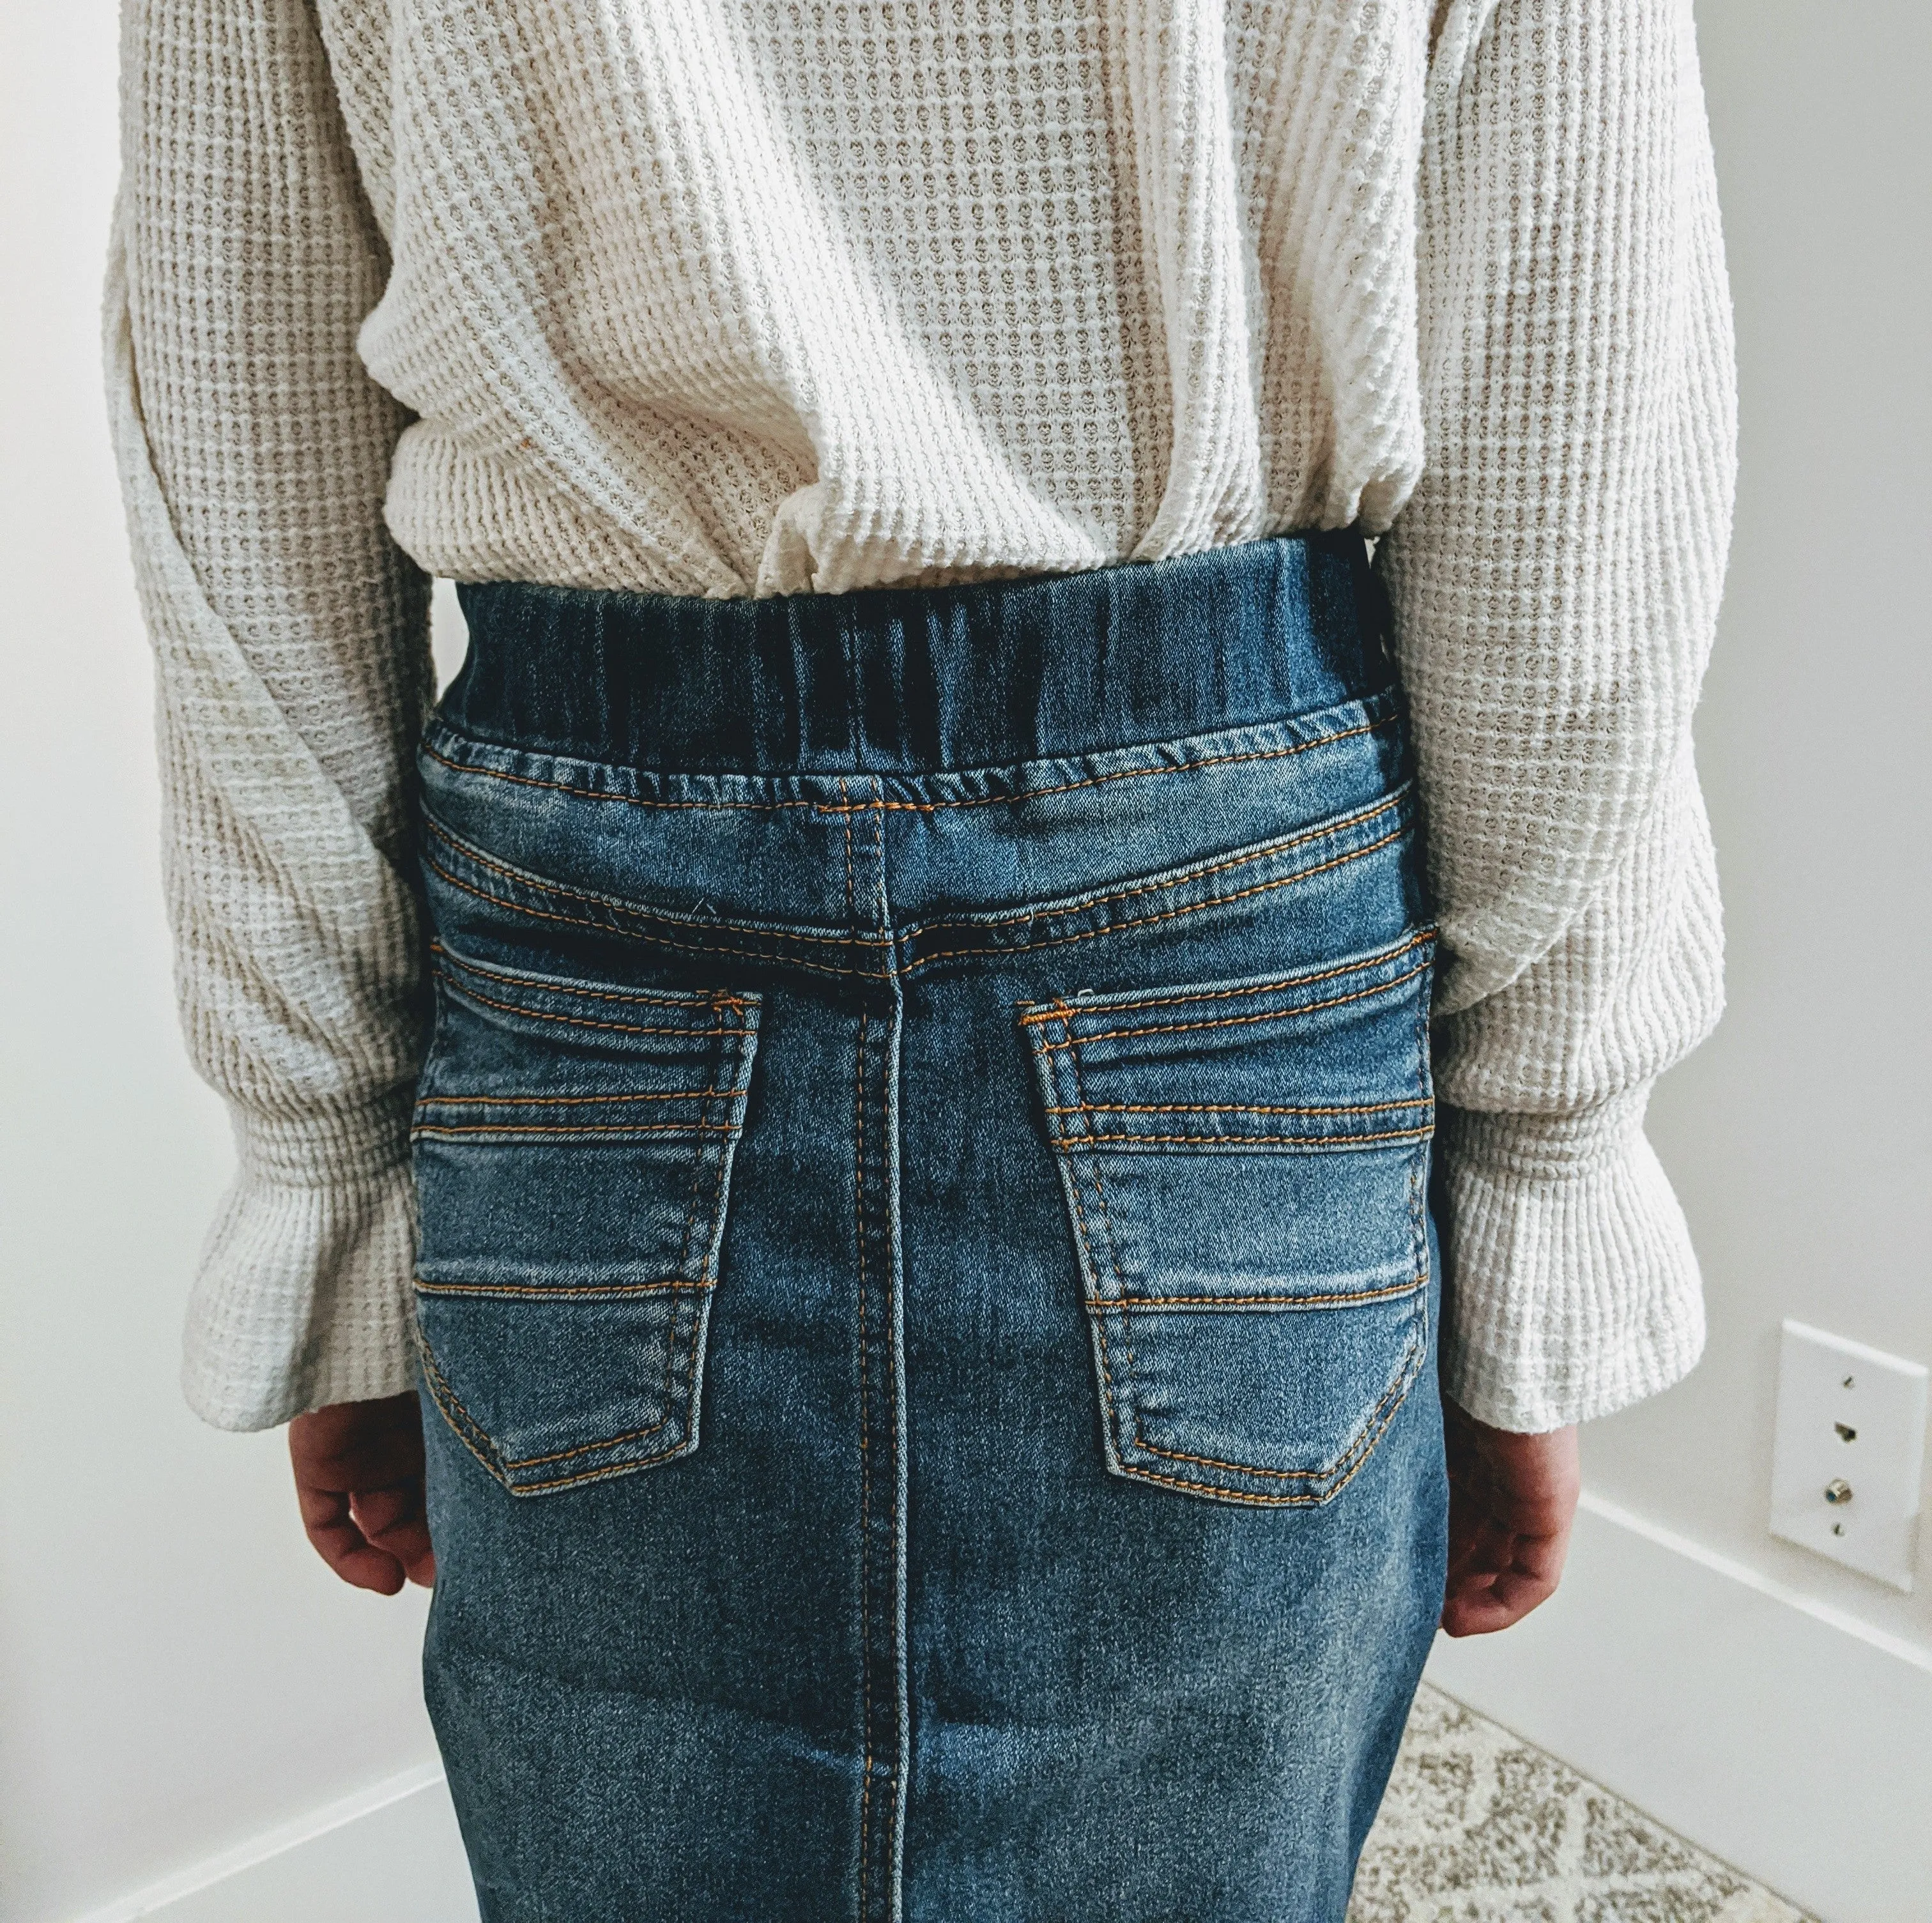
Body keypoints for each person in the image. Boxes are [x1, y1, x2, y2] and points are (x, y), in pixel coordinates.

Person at [107, 1, 1734, 1916]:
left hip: (600, 939)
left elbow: (248, 430)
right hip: (1219, 926)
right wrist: (1544, 1172)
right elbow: (1569, 446)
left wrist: (331, 1181)